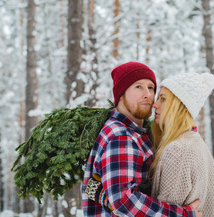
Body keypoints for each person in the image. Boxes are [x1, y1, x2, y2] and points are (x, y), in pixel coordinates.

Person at [82, 62, 200, 216]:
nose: (148, 94)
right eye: (138, 87)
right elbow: (124, 201)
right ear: (121, 93)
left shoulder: (137, 134)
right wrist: (183, 215)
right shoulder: (121, 136)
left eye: (151, 88)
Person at [150, 72, 214, 216]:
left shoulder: (177, 150)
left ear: (181, 107)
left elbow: (164, 213)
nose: (155, 105)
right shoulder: (197, 143)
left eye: (163, 99)